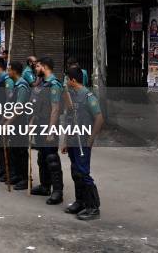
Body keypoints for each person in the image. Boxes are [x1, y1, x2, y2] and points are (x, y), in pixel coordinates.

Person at [62, 67, 104, 220]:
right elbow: (68, 119)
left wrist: (90, 140)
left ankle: (93, 208)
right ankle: (80, 202)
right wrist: (66, 140)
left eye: (67, 79)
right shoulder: (71, 96)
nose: (66, 81)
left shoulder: (88, 96)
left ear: (73, 80)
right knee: (76, 172)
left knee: (83, 173)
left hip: (83, 141)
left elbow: (99, 118)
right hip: (73, 140)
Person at [30, 57, 64, 205]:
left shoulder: (54, 85)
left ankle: (57, 191)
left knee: (52, 159)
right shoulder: (42, 83)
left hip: (49, 125)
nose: (35, 69)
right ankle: (45, 186)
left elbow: (55, 109)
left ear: (44, 67)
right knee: (42, 157)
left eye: (38, 67)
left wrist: (50, 131)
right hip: (39, 123)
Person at [7, 61, 32, 190]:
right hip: (14, 123)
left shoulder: (22, 85)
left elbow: (19, 108)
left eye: (9, 69)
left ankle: (25, 178)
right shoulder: (16, 85)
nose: (7, 72)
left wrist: (8, 122)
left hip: (21, 123)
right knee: (14, 150)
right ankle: (16, 174)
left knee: (22, 151)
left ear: (15, 71)